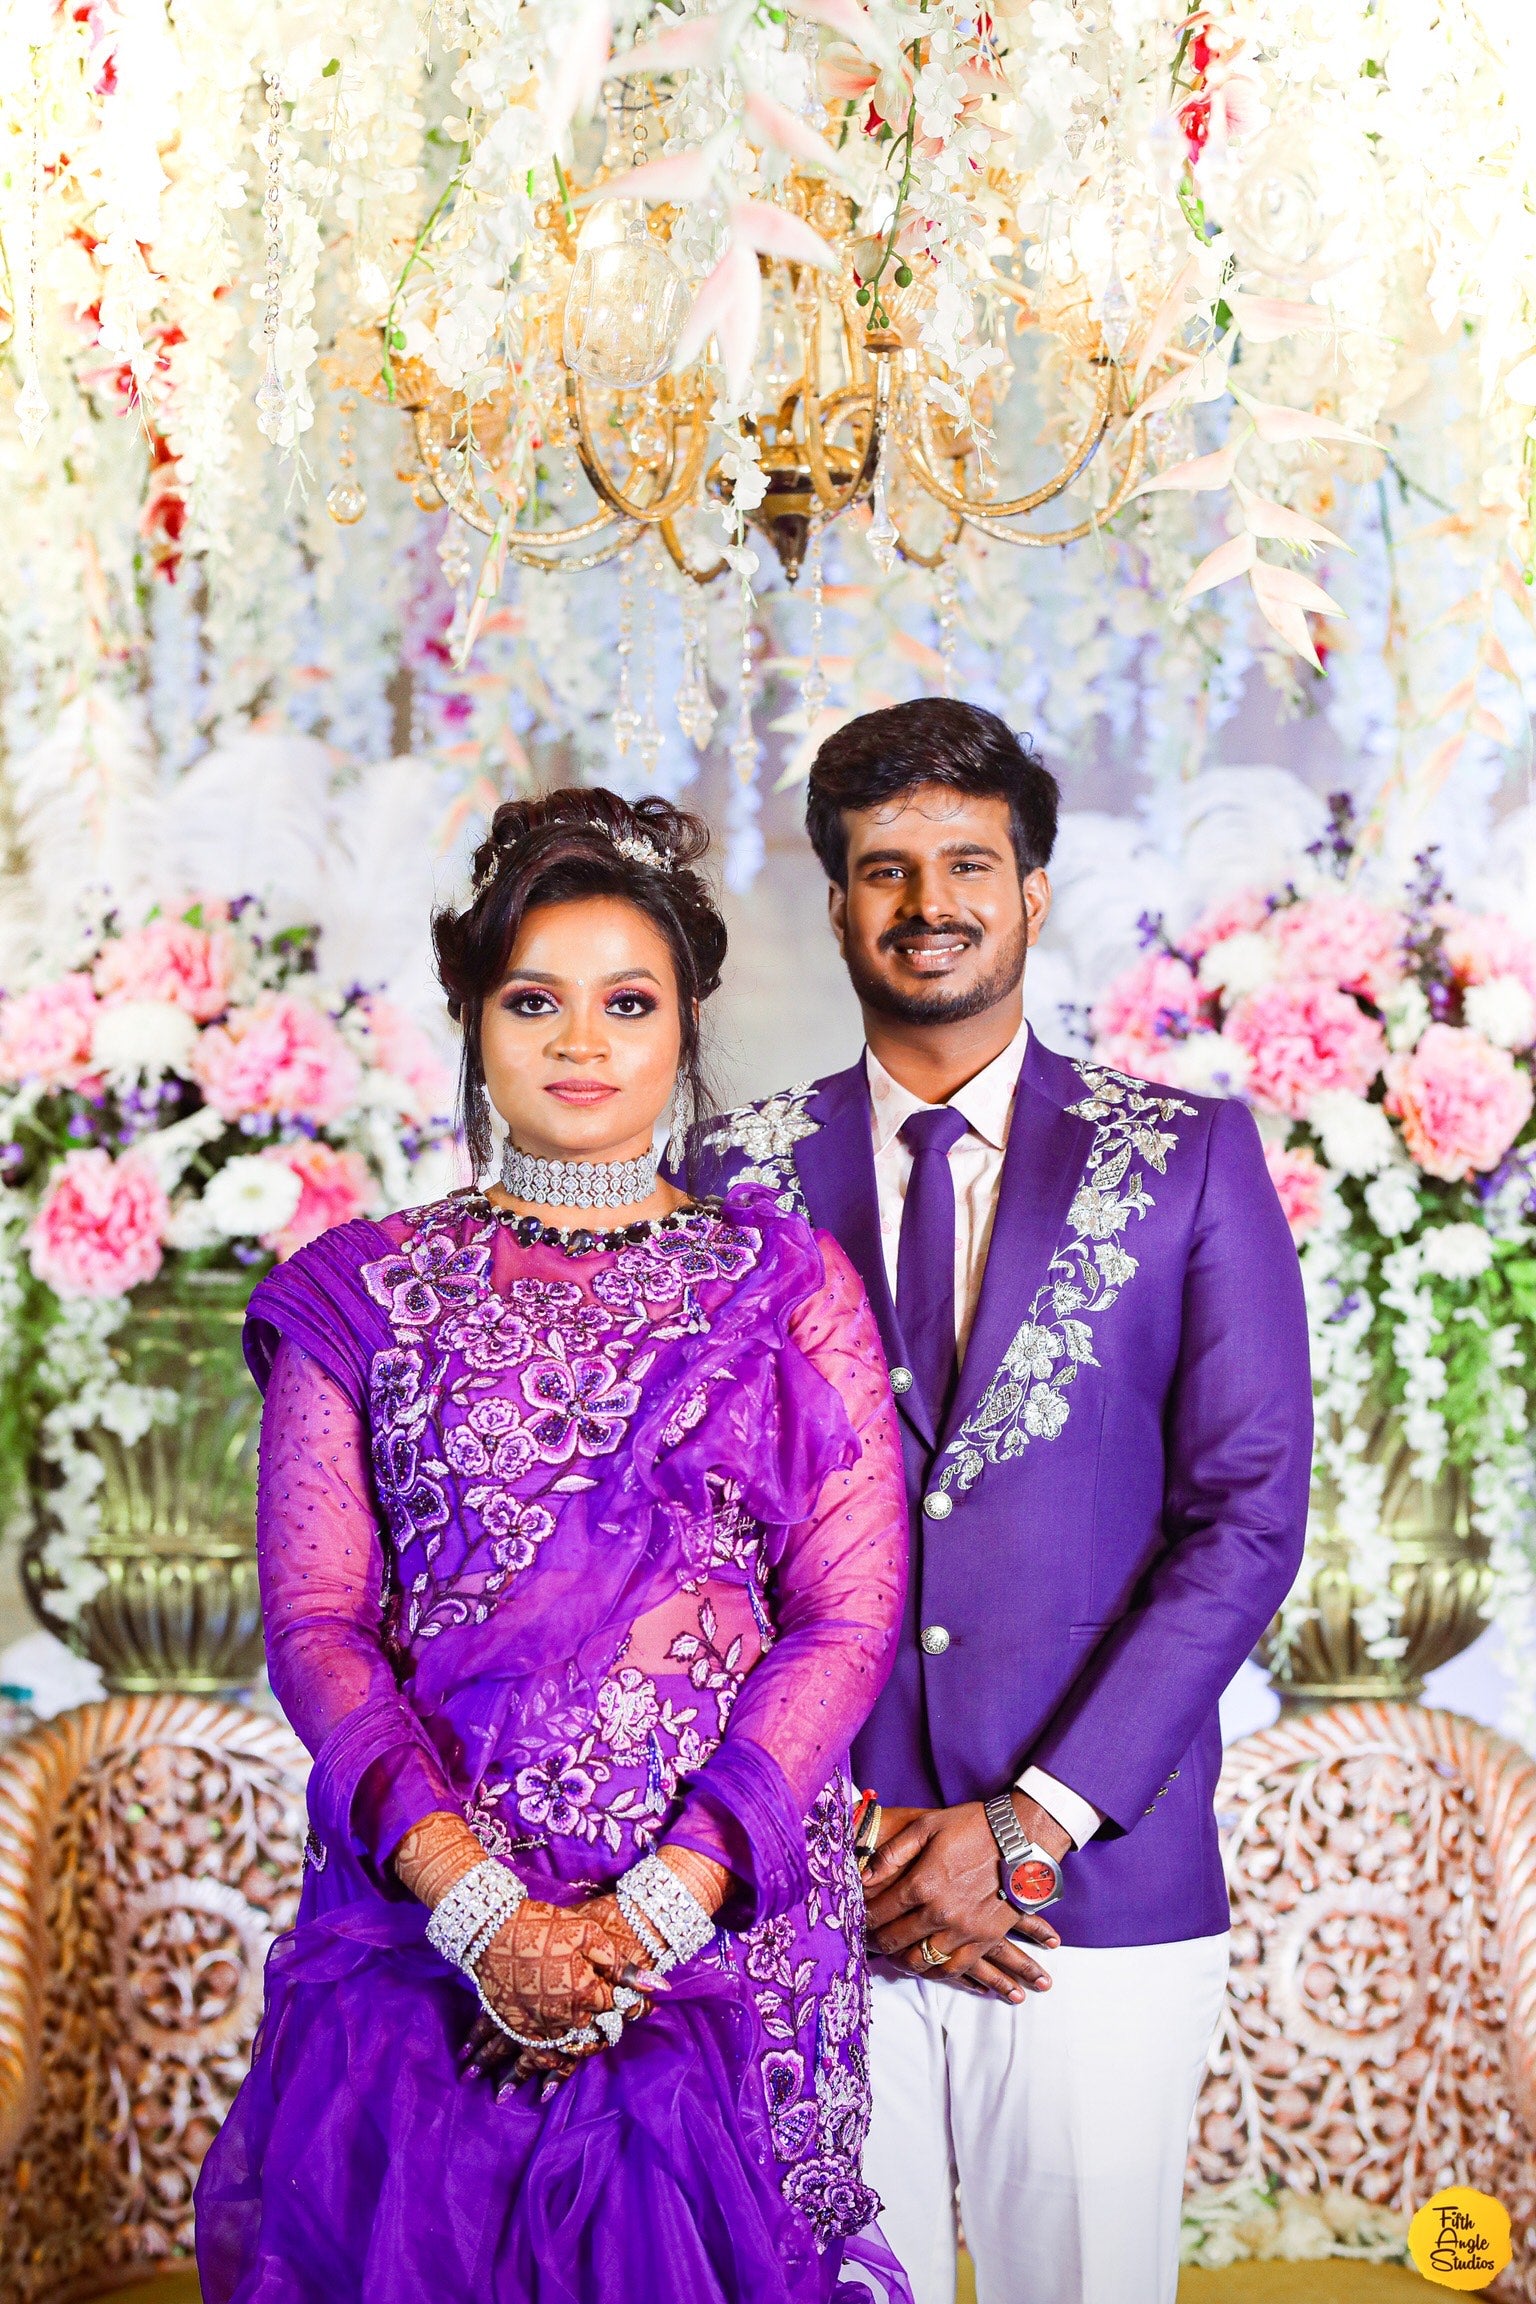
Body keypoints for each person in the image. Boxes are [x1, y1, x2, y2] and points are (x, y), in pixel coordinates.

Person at [195, 788, 914, 2304]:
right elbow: (318, 1624)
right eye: (536, 1000)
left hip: (712, 1954)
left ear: (689, 1018)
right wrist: (473, 1903)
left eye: (626, 1002)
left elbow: (845, 1620)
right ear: (472, 1012)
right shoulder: (360, 1292)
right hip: (426, 1939)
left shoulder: (784, 1288)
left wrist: (668, 1898)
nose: (582, 1043)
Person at [684, 700, 1313, 2304]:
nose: (929, 900)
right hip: (815, 1888)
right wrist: (841, 1832)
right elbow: (685, 1549)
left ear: (1037, 891)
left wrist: (1029, 1828)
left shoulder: (1187, 1159)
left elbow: (1242, 1522)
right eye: (885, 869)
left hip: (1098, 1892)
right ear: (834, 905)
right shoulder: (729, 1179)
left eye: (970, 861)